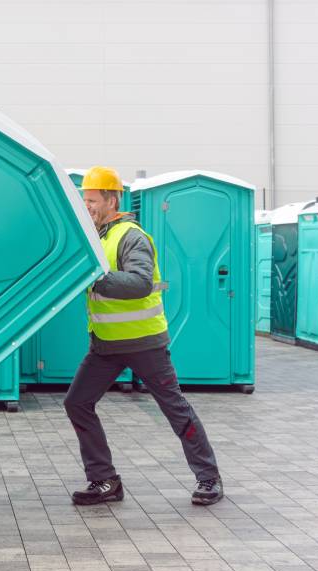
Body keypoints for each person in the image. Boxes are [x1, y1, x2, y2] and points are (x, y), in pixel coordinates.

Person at [64, 166, 223, 506]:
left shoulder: (132, 237)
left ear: (112, 199)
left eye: (93, 201)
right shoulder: (99, 237)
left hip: (144, 345)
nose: (88, 206)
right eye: (85, 200)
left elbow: (138, 284)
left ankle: (209, 478)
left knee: (175, 410)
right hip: (105, 345)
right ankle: (104, 480)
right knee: (77, 402)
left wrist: (93, 277)